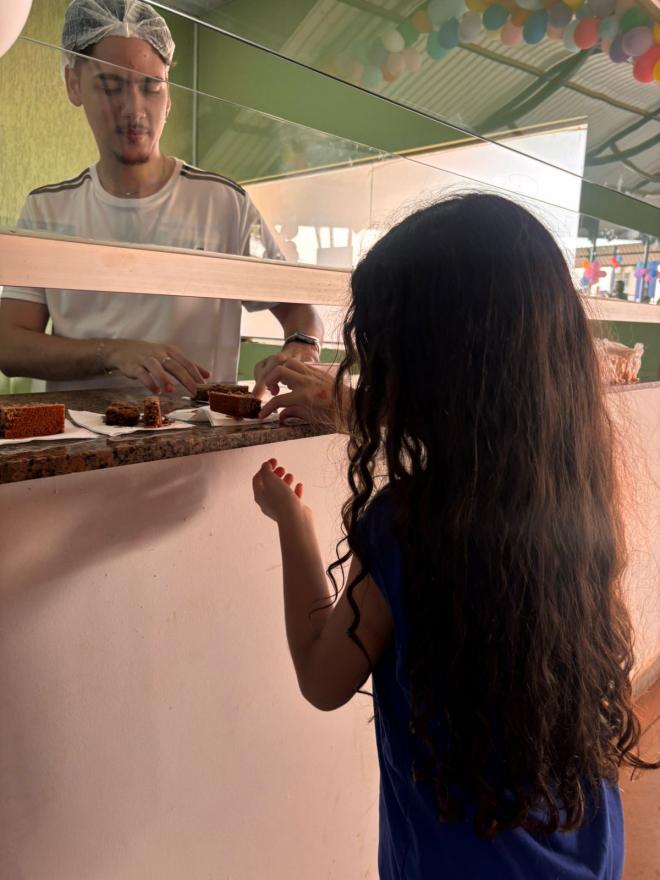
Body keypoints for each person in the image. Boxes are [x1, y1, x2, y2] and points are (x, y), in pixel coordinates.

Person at [252, 194, 658, 878]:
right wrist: (362, 410)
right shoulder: (570, 493)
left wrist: (293, 524)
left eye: (383, 357)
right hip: (580, 849)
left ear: (430, 375)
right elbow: (484, 436)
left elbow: (322, 677)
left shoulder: (408, 529)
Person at [0, 0, 323, 395]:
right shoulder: (48, 209)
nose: (134, 109)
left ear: (169, 96)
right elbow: (9, 345)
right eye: (111, 86)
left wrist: (302, 345)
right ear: (74, 84)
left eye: (151, 87)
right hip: (79, 431)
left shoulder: (223, 203)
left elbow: (300, 312)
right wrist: (111, 352)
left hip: (195, 429)